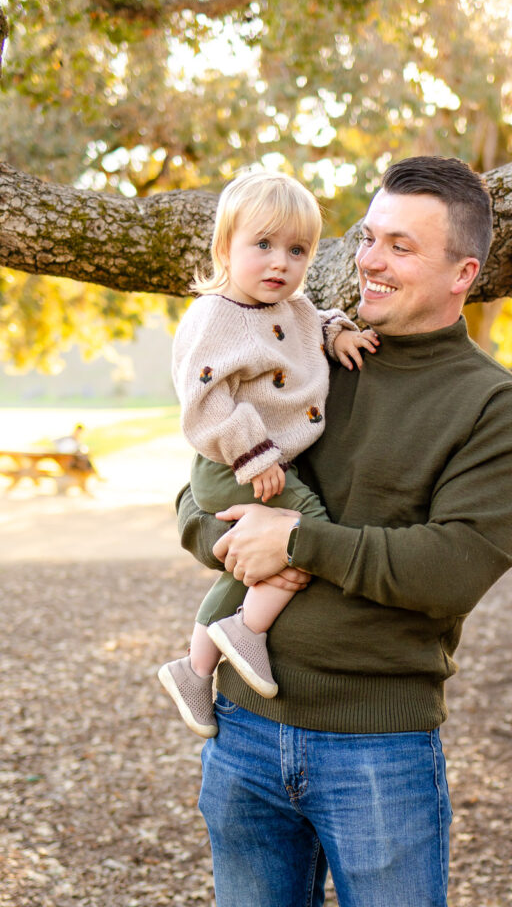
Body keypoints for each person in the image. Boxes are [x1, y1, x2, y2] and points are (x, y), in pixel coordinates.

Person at [176, 155, 512, 907]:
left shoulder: (498, 410)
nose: (369, 261)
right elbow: (196, 500)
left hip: (377, 748)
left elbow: (450, 568)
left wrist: (293, 542)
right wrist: (223, 537)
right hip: (245, 733)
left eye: (401, 247)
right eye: (367, 237)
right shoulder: (305, 358)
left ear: (462, 273)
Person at [158, 171, 377, 739]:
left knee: (249, 563)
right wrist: (254, 458)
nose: (281, 262)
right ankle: (248, 632)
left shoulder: (292, 303)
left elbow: (311, 323)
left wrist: (339, 334)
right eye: (263, 245)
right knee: (304, 537)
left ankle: (195, 666)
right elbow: (203, 406)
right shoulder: (215, 318)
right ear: (225, 246)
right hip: (235, 461)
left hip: (266, 460)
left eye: (297, 250)